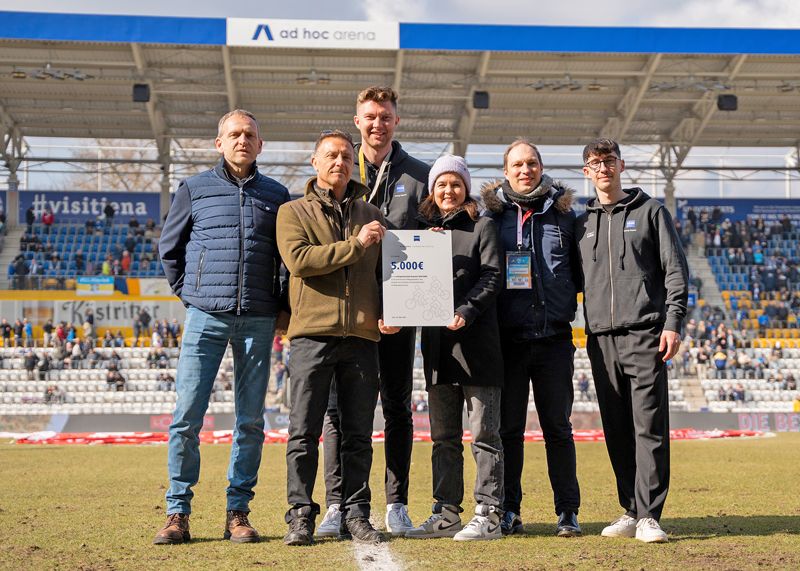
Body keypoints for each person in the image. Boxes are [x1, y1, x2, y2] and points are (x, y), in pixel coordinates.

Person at [154, 109, 290, 546]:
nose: (242, 140)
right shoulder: (193, 189)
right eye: (234, 134)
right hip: (205, 317)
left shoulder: (277, 194)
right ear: (219, 142)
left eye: (250, 134)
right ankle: (177, 512)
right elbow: (170, 249)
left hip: (258, 318)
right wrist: (192, 294)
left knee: (250, 421)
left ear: (260, 144)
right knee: (186, 419)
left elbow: (285, 261)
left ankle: (238, 513)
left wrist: (279, 306)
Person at [319, 85, 430, 538]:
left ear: (395, 121)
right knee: (338, 412)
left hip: (400, 315)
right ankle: (334, 502)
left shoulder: (420, 176)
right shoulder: (340, 171)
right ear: (357, 120)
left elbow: (432, 249)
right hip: (349, 314)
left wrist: (408, 306)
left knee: (399, 408)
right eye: (369, 116)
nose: (377, 123)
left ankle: (397, 502)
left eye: (385, 116)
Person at [276, 129, 396, 546]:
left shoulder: (373, 213)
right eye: (331, 155)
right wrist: (355, 244)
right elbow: (300, 260)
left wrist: (396, 308)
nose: (339, 162)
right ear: (315, 162)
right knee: (304, 431)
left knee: (359, 433)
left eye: (346, 156)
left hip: (362, 336)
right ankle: (300, 515)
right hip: (311, 334)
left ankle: (357, 513)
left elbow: (393, 270)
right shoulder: (292, 212)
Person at [576, 138, 689, 544]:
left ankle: (650, 516)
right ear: (585, 172)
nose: (603, 168)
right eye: (594, 163)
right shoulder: (581, 223)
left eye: (609, 161)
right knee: (617, 428)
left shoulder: (651, 212)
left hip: (645, 333)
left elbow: (675, 271)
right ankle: (630, 508)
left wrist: (673, 321)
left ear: (621, 165)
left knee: (649, 426)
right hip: (600, 339)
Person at [481, 138, 583, 537]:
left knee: (558, 428)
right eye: (518, 165)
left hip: (555, 339)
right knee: (509, 431)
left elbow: (581, 273)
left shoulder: (566, 218)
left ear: (541, 167)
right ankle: (509, 510)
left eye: (532, 163)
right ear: (505, 172)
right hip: (508, 341)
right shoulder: (489, 219)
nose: (526, 170)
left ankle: (568, 512)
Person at [404, 155, 504, 541]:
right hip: (437, 347)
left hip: (478, 345)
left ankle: (489, 513)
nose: (449, 191)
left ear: (465, 188)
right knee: (444, 437)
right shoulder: (420, 231)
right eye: (442, 184)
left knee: (484, 436)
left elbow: (494, 276)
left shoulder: (483, 226)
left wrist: (466, 310)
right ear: (432, 190)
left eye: (456, 184)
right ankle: (446, 511)